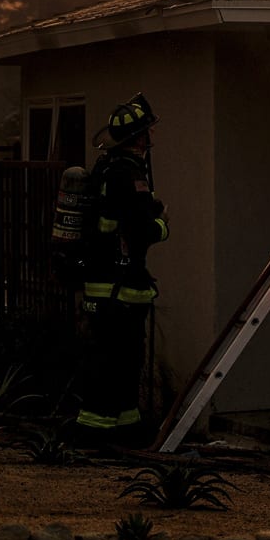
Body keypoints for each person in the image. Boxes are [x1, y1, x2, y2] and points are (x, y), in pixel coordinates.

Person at [74, 93, 169, 440]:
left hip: (103, 283)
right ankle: (97, 431)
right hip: (121, 286)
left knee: (113, 357)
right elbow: (141, 229)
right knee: (121, 359)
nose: (152, 138)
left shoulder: (105, 169)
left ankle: (125, 426)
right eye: (149, 132)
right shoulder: (130, 175)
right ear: (140, 138)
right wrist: (163, 224)